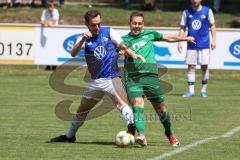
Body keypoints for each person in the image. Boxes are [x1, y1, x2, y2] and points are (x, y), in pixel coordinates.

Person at [50, 10, 146, 143]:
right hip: (95, 82)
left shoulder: (109, 32)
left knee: (122, 104)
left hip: (112, 77)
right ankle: (70, 136)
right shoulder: (84, 38)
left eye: (99, 24)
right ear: (87, 24)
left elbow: (122, 44)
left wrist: (132, 54)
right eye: (94, 25)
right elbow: (73, 53)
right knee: (82, 111)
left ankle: (132, 131)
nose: (97, 27)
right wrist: (83, 39)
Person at [120, 11, 195, 146]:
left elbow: (168, 38)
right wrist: (120, 52)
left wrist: (185, 38)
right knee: (137, 105)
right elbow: (118, 51)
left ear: (143, 24)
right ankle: (141, 135)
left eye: (139, 24)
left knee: (161, 110)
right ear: (129, 24)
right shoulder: (123, 40)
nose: (137, 26)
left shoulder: (149, 35)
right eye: (134, 23)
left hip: (150, 77)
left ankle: (169, 133)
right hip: (133, 78)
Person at [178, 0, 216, 98]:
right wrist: (179, 41)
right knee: (191, 66)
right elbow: (182, 27)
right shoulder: (186, 12)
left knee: (204, 66)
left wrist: (214, 40)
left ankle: (203, 90)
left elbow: (212, 25)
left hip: (204, 44)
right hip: (191, 44)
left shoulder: (207, 11)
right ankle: (191, 91)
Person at [40, 2, 59, 70]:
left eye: (51, 6)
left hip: (54, 33)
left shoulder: (56, 11)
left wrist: (46, 22)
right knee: (47, 49)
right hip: (47, 33)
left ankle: (54, 65)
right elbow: (41, 21)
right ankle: (48, 65)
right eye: (49, 6)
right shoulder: (44, 11)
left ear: (54, 6)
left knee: (54, 49)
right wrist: (48, 22)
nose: (50, 8)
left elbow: (53, 22)